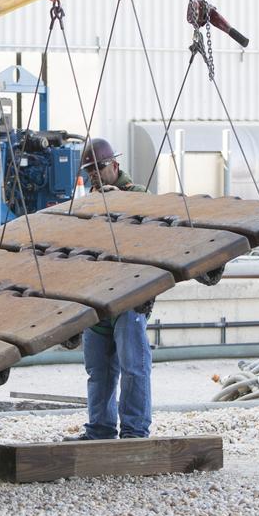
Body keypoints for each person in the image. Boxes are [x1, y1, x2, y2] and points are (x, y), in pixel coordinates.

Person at [66, 137, 154, 441]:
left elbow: (156, 227)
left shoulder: (138, 195)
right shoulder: (87, 202)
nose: (94, 176)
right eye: (89, 172)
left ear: (115, 165)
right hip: (97, 297)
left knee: (134, 367)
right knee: (98, 371)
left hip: (129, 296)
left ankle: (134, 431)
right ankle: (100, 428)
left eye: (99, 169)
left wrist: (119, 202)